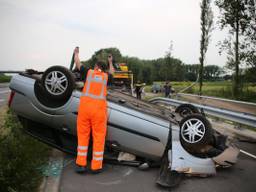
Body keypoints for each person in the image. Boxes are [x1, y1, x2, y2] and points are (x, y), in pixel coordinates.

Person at [75, 60, 108, 174]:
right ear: (104, 68)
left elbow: (78, 65)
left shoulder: (88, 73)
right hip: (98, 112)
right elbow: (112, 72)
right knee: (99, 138)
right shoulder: (106, 77)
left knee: (83, 136)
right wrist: (110, 61)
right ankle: (96, 166)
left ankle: (81, 165)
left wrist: (76, 54)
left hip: (85, 110)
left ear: (96, 66)